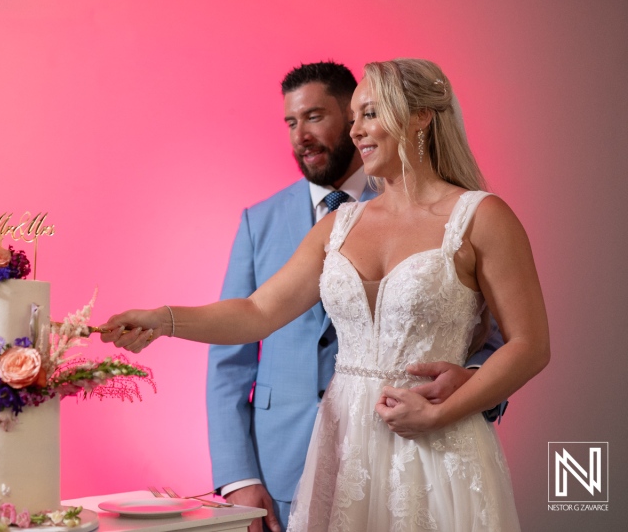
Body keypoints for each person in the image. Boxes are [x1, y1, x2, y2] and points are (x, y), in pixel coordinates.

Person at [100, 58, 549, 530]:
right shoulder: (342, 223)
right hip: (344, 447)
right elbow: (257, 312)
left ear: (421, 116)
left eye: (370, 113)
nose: (356, 131)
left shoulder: (482, 216)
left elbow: (529, 344)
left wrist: (442, 415)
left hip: (440, 450)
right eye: (354, 118)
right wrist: (163, 319)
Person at [205, 62, 503, 532]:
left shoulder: (466, 215)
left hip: (426, 448)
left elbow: (493, 334)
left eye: (316, 116)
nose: (300, 134)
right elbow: (237, 343)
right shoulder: (258, 221)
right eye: (290, 122)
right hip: (291, 464)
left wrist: (468, 385)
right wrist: (237, 475)